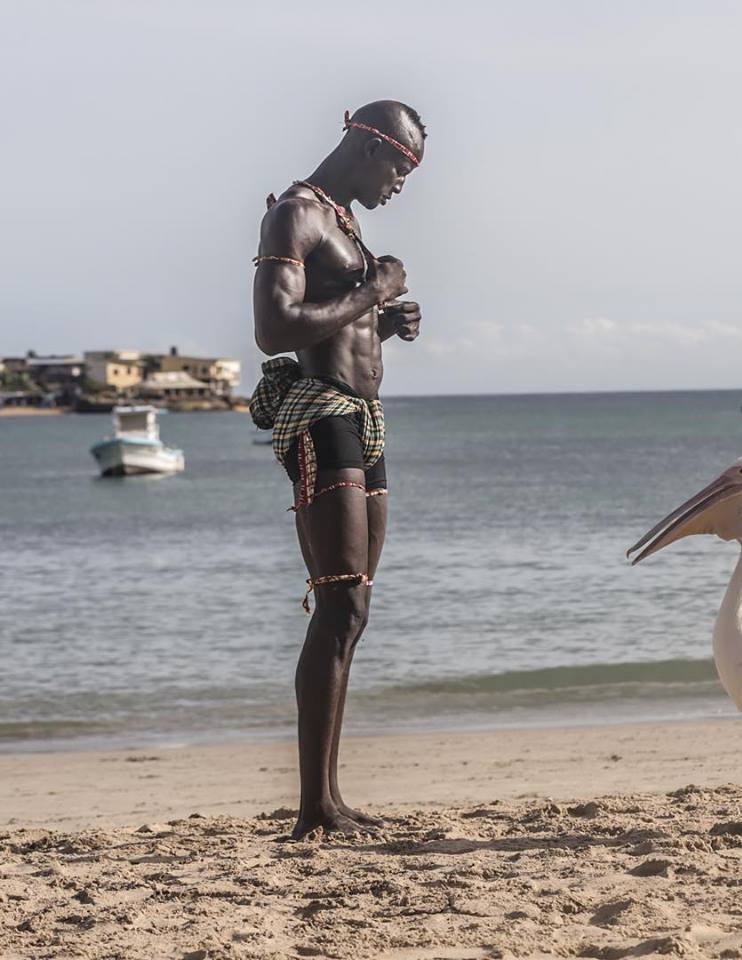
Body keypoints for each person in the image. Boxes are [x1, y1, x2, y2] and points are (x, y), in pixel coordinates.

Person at [250, 100, 426, 838]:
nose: (401, 183)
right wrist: (372, 292)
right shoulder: (296, 214)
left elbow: (335, 319)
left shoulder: (341, 220)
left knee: (354, 610)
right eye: (401, 165)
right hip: (322, 417)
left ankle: (330, 797)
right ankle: (312, 808)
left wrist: (381, 323)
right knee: (338, 605)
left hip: (362, 419)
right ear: (365, 145)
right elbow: (273, 330)